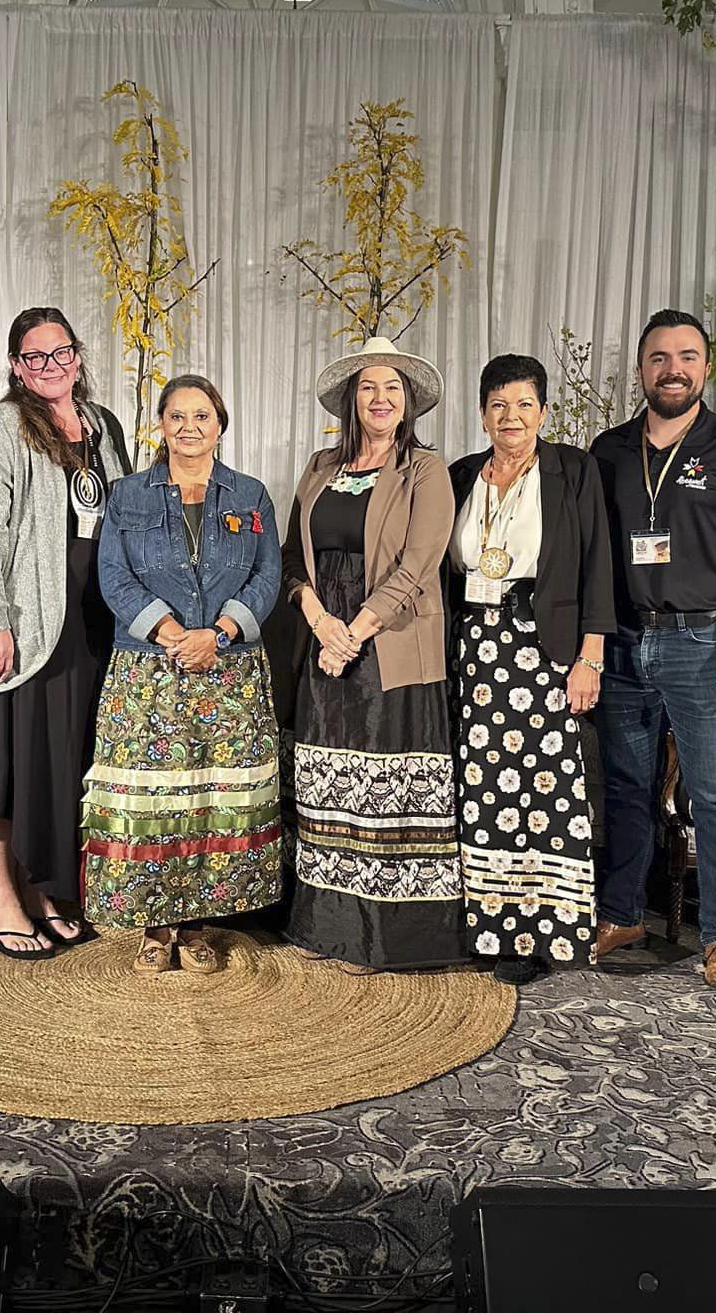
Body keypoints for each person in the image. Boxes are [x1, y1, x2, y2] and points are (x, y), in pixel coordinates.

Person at [589, 310, 716, 992]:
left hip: (709, 643)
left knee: (714, 797)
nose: (672, 370)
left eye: (686, 357)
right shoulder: (608, 450)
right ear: (641, 370)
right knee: (624, 788)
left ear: (706, 367)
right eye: (658, 358)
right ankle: (622, 913)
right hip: (623, 641)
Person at [84, 375, 283, 973]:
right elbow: (113, 577)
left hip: (230, 669)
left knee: (212, 795)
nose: (190, 427)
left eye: (202, 416)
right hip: (149, 668)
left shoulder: (251, 495)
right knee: (152, 802)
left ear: (220, 425)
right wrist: (173, 635)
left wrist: (218, 634)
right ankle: (156, 923)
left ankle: (199, 922)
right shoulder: (126, 496)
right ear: (161, 425)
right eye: (177, 416)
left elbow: (268, 577)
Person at [281, 337, 463, 971]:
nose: (380, 398)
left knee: (385, 794)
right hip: (325, 639)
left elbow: (417, 567)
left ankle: (387, 938)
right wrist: (321, 625)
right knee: (330, 785)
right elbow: (292, 564)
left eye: (392, 388)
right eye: (368, 387)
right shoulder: (319, 465)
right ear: (351, 400)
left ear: (407, 400)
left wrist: (353, 633)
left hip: (391, 645)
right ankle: (329, 929)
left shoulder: (425, 469)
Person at [0, 307, 132, 959]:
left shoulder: (100, 424)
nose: (50, 366)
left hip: (87, 623)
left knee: (58, 768)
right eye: (35, 357)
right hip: (25, 624)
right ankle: (3, 900)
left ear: (77, 358)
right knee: (5, 765)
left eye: (60, 353)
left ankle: (46, 891)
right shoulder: (2, 428)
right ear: (16, 367)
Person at [446, 354, 615, 984]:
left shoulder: (574, 470)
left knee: (545, 788)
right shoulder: (463, 474)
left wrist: (590, 656)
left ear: (543, 411)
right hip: (473, 647)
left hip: (545, 648)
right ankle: (493, 929)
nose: (510, 417)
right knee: (484, 789)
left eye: (523, 404)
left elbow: (598, 563)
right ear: (482, 413)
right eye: (497, 405)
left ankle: (548, 931)